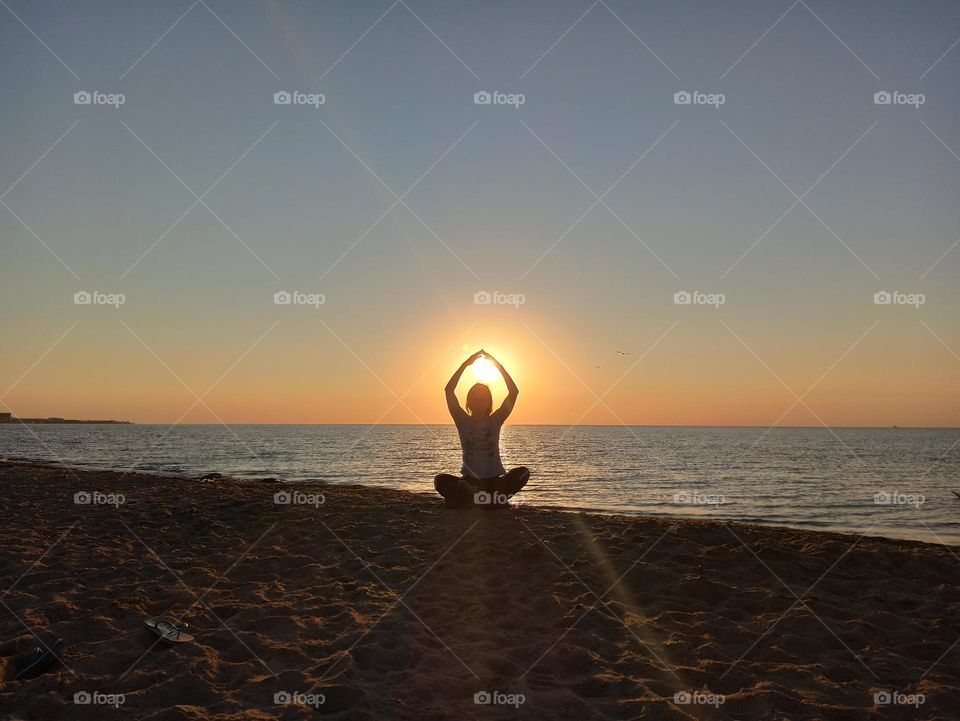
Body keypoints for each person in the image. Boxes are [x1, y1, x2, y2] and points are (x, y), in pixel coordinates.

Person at [434, 350, 529, 509]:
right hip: (469, 480)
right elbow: (449, 390)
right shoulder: (461, 420)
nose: (479, 402)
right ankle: (487, 499)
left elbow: (514, 392)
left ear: (489, 402)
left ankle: (473, 497)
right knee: (440, 480)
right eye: (475, 399)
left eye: (483, 399)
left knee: (523, 473)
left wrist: (498, 366)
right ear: (469, 402)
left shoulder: (496, 420)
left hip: (493, 480)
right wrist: (465, 364)